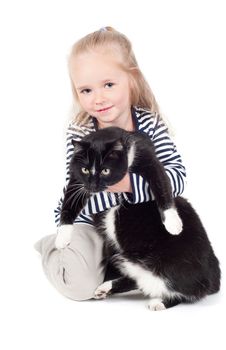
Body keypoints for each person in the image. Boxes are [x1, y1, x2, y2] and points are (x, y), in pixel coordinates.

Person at [35, 26, 186, 301]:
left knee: (177, 266)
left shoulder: (150, 124)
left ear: (132, 80)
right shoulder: (81, 133)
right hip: (92, 222)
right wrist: (115, 185)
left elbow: (175, 177)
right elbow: (84, 188)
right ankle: (57, 249)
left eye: (108, 85)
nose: (98, 98)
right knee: (81, 287)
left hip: (136, 224)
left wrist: (129, 184)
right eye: (86, 90)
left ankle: (114, 269)